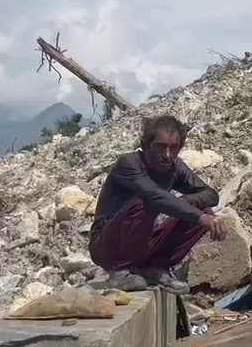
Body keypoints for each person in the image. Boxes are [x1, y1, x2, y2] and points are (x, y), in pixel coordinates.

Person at [89, 115, 227, 295]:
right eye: (160, 147)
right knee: (147, 203)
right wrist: (198, 216)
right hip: (107, 245)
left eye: (173, 148)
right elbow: (154, 196)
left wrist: (184, 204)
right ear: (146, 145)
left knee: (203, 210)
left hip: (142, 241)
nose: (167, 155)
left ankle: (154, 268)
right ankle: (121, 272)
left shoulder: (175, 167)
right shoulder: (129, 164)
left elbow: (210, 194)